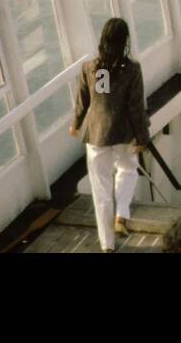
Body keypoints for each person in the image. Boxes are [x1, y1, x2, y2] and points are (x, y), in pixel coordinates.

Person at [71, 17, 150, 253]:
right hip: (123, 134)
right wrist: (143, 138)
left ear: (102, 39)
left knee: (101, 191)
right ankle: (121, 215)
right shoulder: (132, 69)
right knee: (128, 170)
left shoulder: (89, 68)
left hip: (96, 135)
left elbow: (82, 101)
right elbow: (135, 107)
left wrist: (75, 124)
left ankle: (107, 246)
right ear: (125, 41)